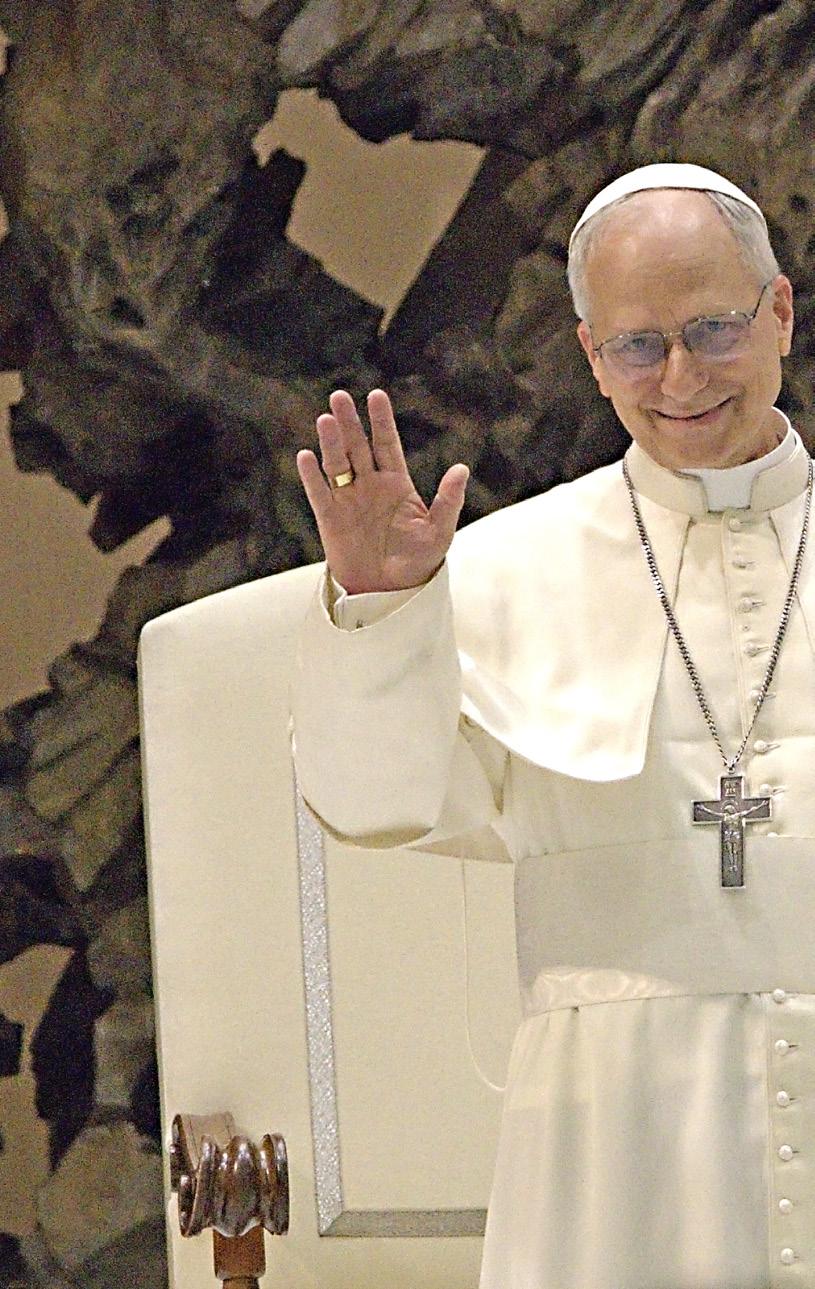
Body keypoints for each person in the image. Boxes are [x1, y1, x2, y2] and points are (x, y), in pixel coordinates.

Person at [291, 163, 815, 1288]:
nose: (679, 377)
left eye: (712, 329)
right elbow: (374, 804)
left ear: (778, 310)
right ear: (588, 352)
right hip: (617, 1139)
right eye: (636, 346)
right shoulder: (502, 570)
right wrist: (382, 615)